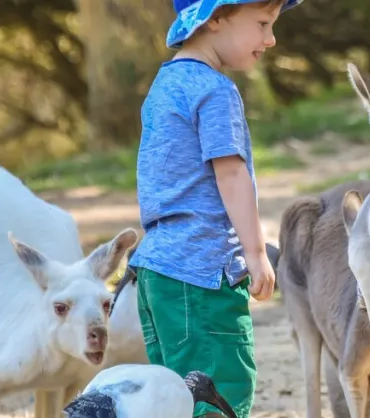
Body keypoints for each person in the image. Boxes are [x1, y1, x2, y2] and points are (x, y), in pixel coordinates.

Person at [128, 0, 299, 416]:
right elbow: (231, 175)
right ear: (215, 18)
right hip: (202, 273)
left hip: (158, 272)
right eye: (261, 23)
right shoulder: (214, 89)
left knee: (174, 398)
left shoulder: (164, 84)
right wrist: (256, 254)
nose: (270, 38)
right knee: (221, 391)